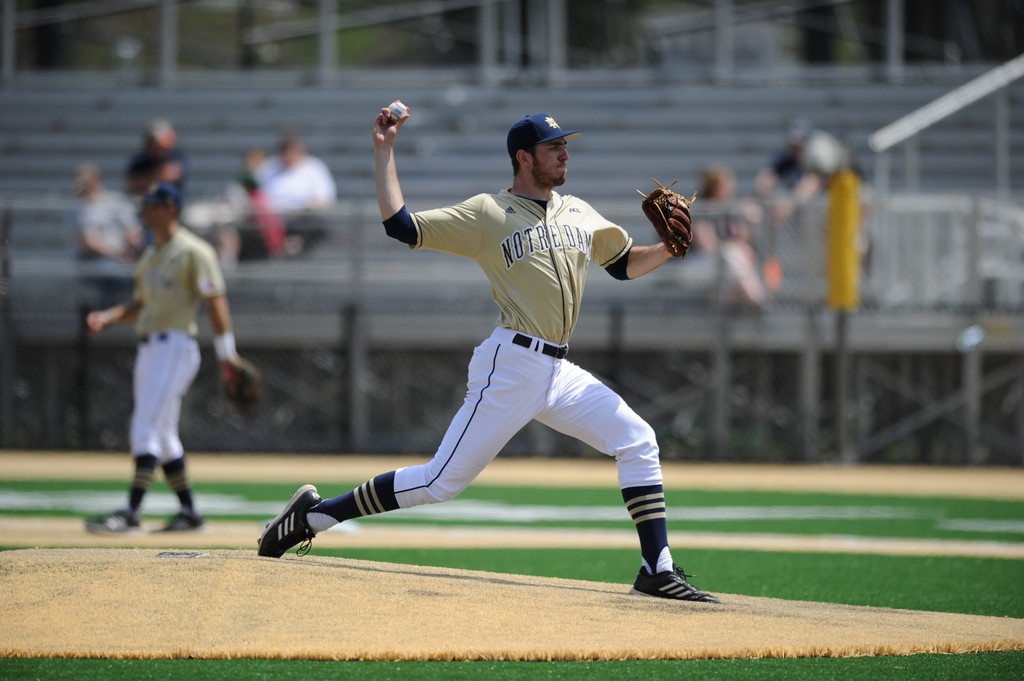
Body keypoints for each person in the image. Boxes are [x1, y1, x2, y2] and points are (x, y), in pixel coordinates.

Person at [257, 110, 722, 604]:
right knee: (439, 482)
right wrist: (384, 149)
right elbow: (401, 226)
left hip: (558, 370)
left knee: (637, 440)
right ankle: (310, 517)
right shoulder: (488, 213)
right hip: (513, 362)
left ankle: (657, 568)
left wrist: (669, 249)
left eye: (564, 145)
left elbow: (625, 265)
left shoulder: (579, 212)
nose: (564, 153)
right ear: (524, 158)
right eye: (552, 147)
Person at [84, 183, 244, 534]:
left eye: (153, 205)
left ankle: (131, 512)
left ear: (171, 209)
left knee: (143, 429)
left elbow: (215, 301)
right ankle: (190, 513)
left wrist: (227, 356)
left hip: (174, 347)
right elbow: (142, 305)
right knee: (165, 436)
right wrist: (109, 316)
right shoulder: (151, 256)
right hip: (149, 348)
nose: (146, 211)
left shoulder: (193, 251)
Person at [67, 163, 144, 306]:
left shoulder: (117, 202)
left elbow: (133, 230)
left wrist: (131, 250)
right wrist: (118, 255)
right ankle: (106, 312)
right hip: (93, 259)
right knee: (114, 273)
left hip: (124, 257)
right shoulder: (79, 209)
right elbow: (89, 243)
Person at [694, 164, 766, 310]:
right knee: (732, 255)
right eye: (727, 185)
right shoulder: (701, 210)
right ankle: (759, 304)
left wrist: (750, 221)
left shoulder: (729, 211)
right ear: (716, 188)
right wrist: (735, 247)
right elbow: (707, 245)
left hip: (728, 267)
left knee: (737, 274)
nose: (732, 189)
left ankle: (728, 317)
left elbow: (743, 240)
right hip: (699, 264)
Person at [255, 131, 336, 255]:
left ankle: (292, 249)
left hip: (301, 220)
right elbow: (257, 194)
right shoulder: (268, 167)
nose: (289, 154)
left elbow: (323, 199)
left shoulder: (314, 168)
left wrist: (301, 208)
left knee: (312, 225)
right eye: (285, 149)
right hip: (271, 220)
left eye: (292, 149)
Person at [125, 118, 189, 197]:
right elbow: (132, 185)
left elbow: (171, 175)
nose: (159, 148)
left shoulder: (176, 157)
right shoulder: (138, 161)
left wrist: (145, 180)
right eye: (153, 143)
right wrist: (158, 176)